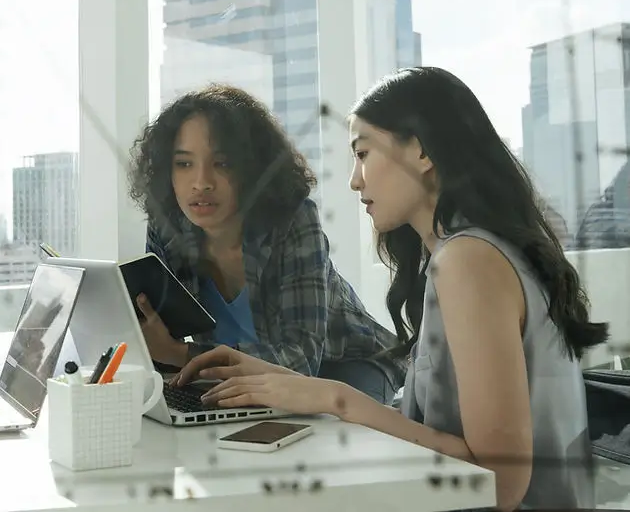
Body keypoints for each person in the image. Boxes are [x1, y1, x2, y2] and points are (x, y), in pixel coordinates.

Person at [173, 67, 608, 511]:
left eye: (363, 153)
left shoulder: (468, 262)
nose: (354, 179)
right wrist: (281, 380)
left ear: (420, 151)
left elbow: (498, 482)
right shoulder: (472, 252)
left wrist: (334, 397)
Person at [128, 84, 405, 405]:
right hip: (243, 375)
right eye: (184, 164)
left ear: (252, 168)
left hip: (346, 364)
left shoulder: (293, 220)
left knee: (328, 439)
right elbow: (159, 339)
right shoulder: (168, 228)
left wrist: (182, 354)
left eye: (222, 163)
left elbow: (302, 361)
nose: (201, 182)